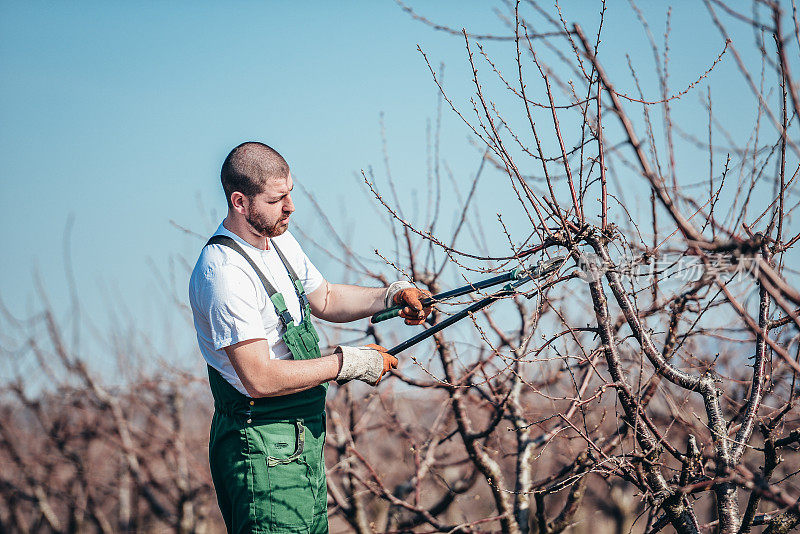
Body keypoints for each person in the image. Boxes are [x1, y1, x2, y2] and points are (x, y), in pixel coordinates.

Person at [188, 141, 432, 533]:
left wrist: (391, 295)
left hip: (302, 440)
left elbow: (327, 298)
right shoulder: (224, 273)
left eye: (290, 193)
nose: (290, 206)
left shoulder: (279, 241)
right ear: (240, 202)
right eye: (277, 199)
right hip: (260, 448)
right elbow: (259, 378)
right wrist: (346, 363)